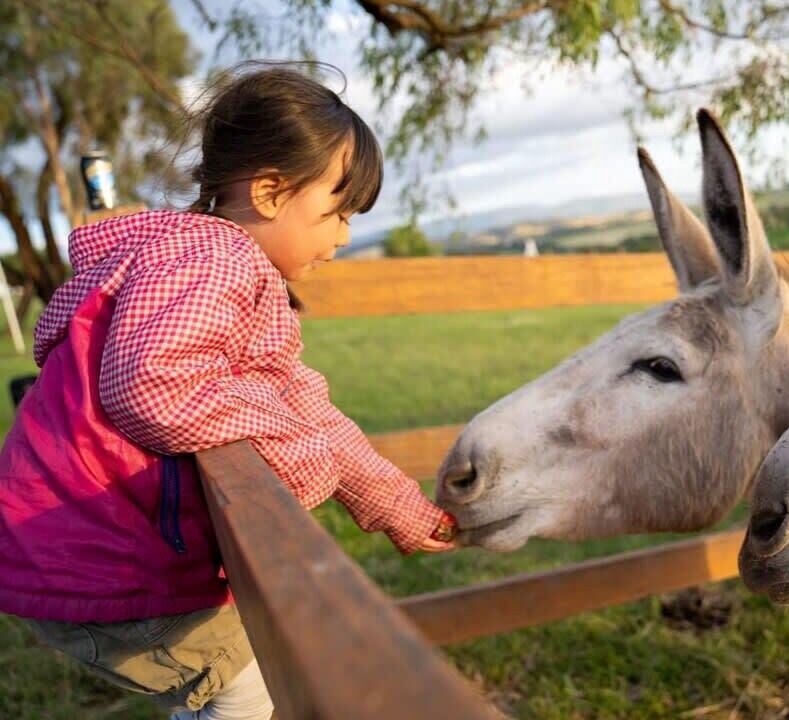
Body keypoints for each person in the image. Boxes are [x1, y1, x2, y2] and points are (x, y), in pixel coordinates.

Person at [0, 64, 456, 720]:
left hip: (70, 550)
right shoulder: (217, 261)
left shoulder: (202, 264)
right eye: (337, 211)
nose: (344, 237)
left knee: (239, 681)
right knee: (253, 692)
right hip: (100, 560)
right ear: (270, 192)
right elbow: (149, 384)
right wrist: (291, 443)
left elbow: (304, 402)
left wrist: (397, 507)